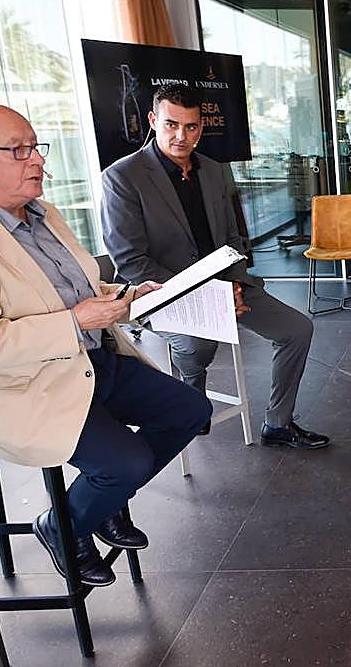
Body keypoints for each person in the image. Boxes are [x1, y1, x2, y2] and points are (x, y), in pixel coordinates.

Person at [0, 100, 211, 587]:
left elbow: (75, 291)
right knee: (125, 463)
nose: (39, 160)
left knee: (190, 412)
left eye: (35, 146)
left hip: (87, 360)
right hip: (17, 384)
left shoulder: (42, 213)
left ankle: (98, 504)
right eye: (19, 150)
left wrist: (125, 297)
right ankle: (64, 524)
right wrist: (74, 321)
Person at [101, 84, 328, 451]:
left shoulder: (213, 170)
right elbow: (130, 260)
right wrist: (207, 295)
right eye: (172, 124)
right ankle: (190, 405)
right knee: (197, 342)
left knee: (297, 329)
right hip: (160, 293)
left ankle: (278, 422)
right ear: (153, 120)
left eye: (191, 127)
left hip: (226, 285)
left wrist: (232, 287)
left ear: (201, 127)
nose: (181, 136)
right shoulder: (122, 177)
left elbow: (234, 239)